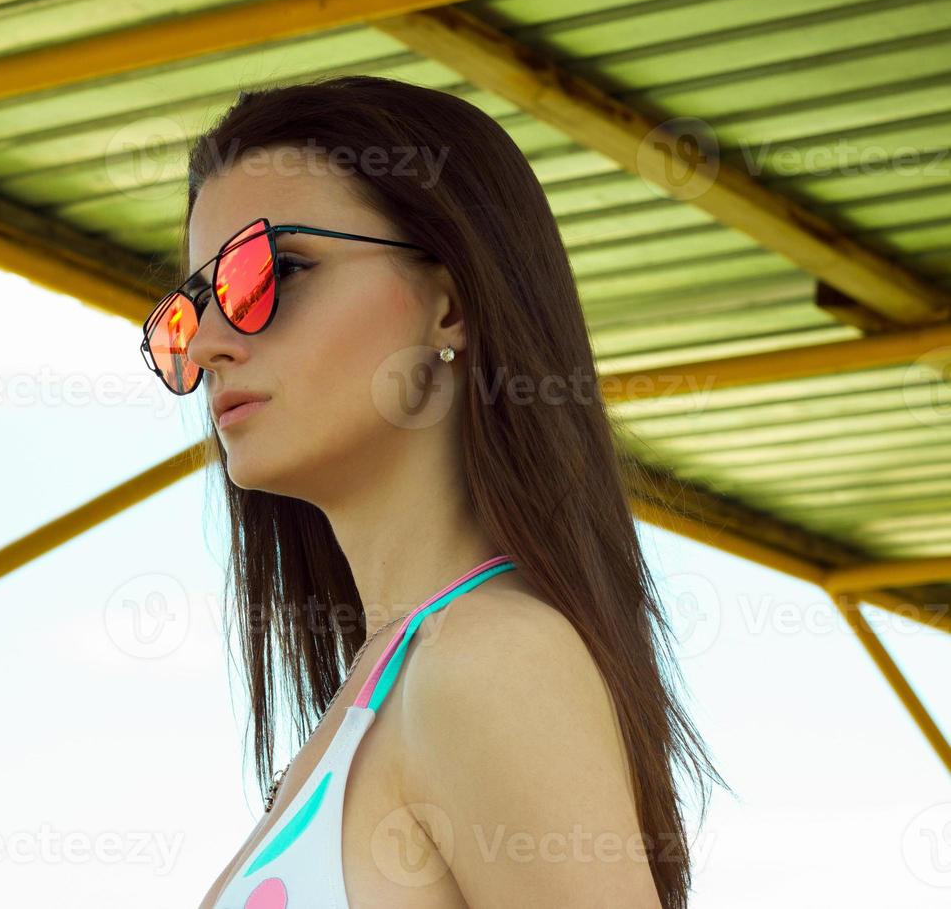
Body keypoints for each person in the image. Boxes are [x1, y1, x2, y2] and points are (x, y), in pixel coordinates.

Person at [138, 75, 726, 908]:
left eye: (271, 272)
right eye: (192, 310)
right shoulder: (393, 677)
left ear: (449, 306)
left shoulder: (489, 658)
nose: (210, 347)